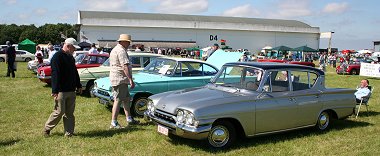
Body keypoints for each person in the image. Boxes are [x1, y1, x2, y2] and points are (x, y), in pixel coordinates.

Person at [43, 38, 82, 137]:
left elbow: (74, 72)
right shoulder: (57, 57)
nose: (75, 50)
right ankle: (47, 129)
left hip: (71, 90)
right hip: (61, 90)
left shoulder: (71, 58)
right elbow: (55, 74)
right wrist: (55, 90)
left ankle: (69, 133)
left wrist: (79, 85)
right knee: (59, 112)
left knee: (69, 113)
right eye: (74, 48)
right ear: (68, 46)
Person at [109, 34, 138, 128]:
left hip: (119, 78)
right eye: (128, 42)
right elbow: (124, 65)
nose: (129, 44)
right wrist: (130, 79)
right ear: (123, 42)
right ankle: (114, 122)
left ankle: (129, 118)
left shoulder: (116, 49)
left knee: (126, 99)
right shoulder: (121, 51)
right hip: (120, 79)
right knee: (118, 100)